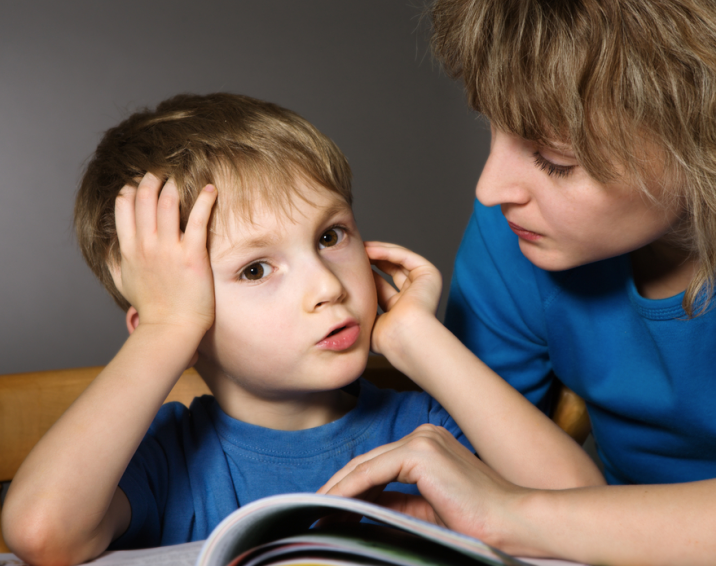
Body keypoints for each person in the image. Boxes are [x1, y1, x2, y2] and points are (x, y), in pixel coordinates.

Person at [1, 93, 601, 565]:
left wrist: (418, 338)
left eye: (330, 236)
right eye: (256, 268)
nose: (328, 286)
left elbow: (586, 513)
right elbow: (40, 533)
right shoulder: (164, 458)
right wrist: (166, 329)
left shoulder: (426, 429)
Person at [320, 1, 716, 564]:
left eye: (554, 160)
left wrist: (516, 518)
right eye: (493, 128)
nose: (489, 189)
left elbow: (504, 508)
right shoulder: (515, 238)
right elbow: (473, 467)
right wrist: (415, 342)